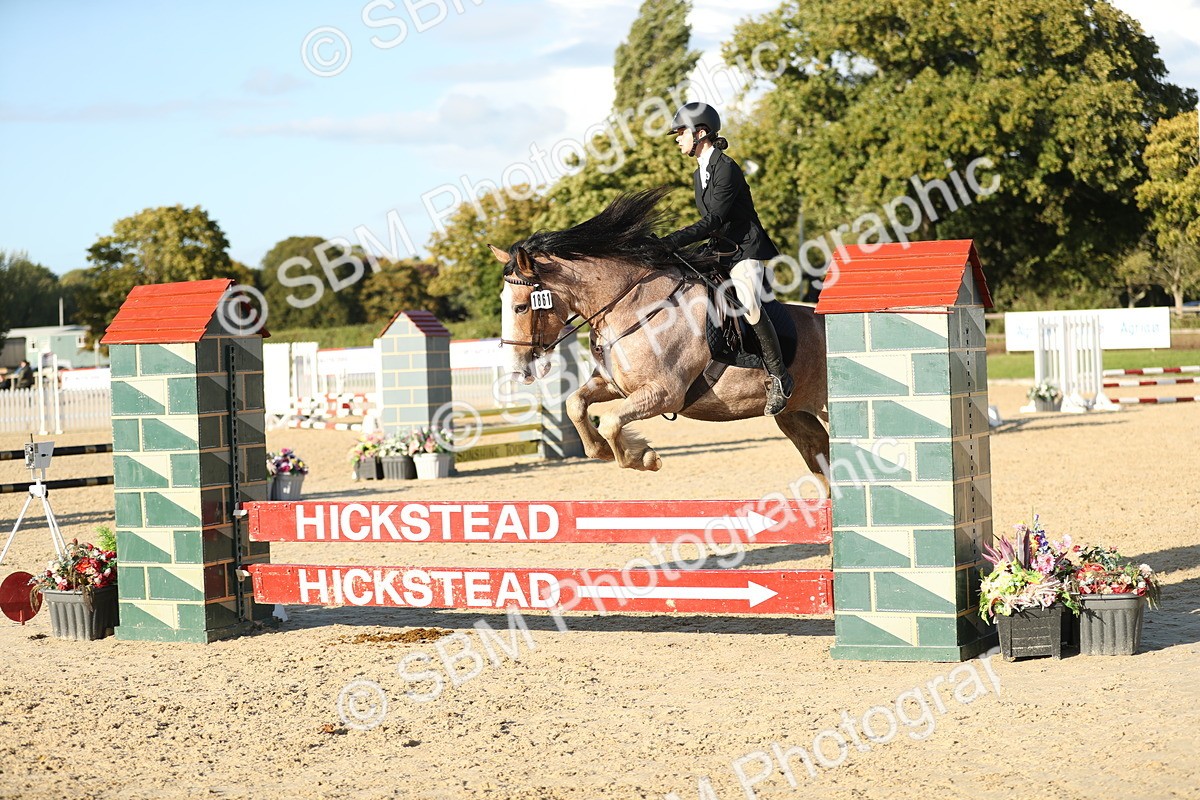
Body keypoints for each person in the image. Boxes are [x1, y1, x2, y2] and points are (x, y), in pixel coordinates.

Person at [660, 102, 794, 416]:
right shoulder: (699, 174)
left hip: (746, 248)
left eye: (681, 133)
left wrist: (673, 240)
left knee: (749, 303)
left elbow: (714, 220)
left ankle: (780, 376)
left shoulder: (726, 167)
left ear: (700, 133)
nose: (677, 139)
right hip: (721, 248)